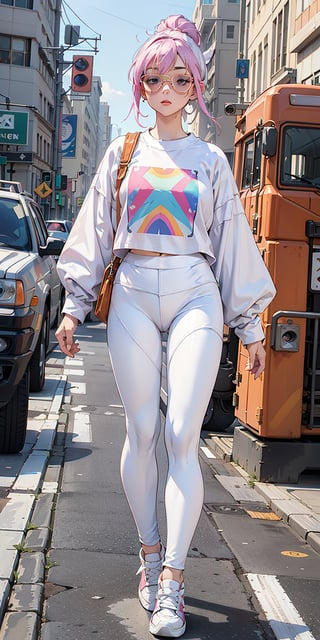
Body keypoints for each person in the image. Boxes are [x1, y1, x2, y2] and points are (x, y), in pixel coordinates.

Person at [55, 14, 276, 638]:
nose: (168, 88)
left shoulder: (210, 159)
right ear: (142, 84)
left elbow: (232, 242)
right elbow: (96, 228)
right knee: (143, 427)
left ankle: (174, 582)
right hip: (129, 293)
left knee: (182, 433)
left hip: (195, 294)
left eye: (180, 77)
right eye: (155, 77)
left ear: (196, 84)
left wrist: (252, 327)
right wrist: (73, 306)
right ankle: (149, 557)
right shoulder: (124, 152)